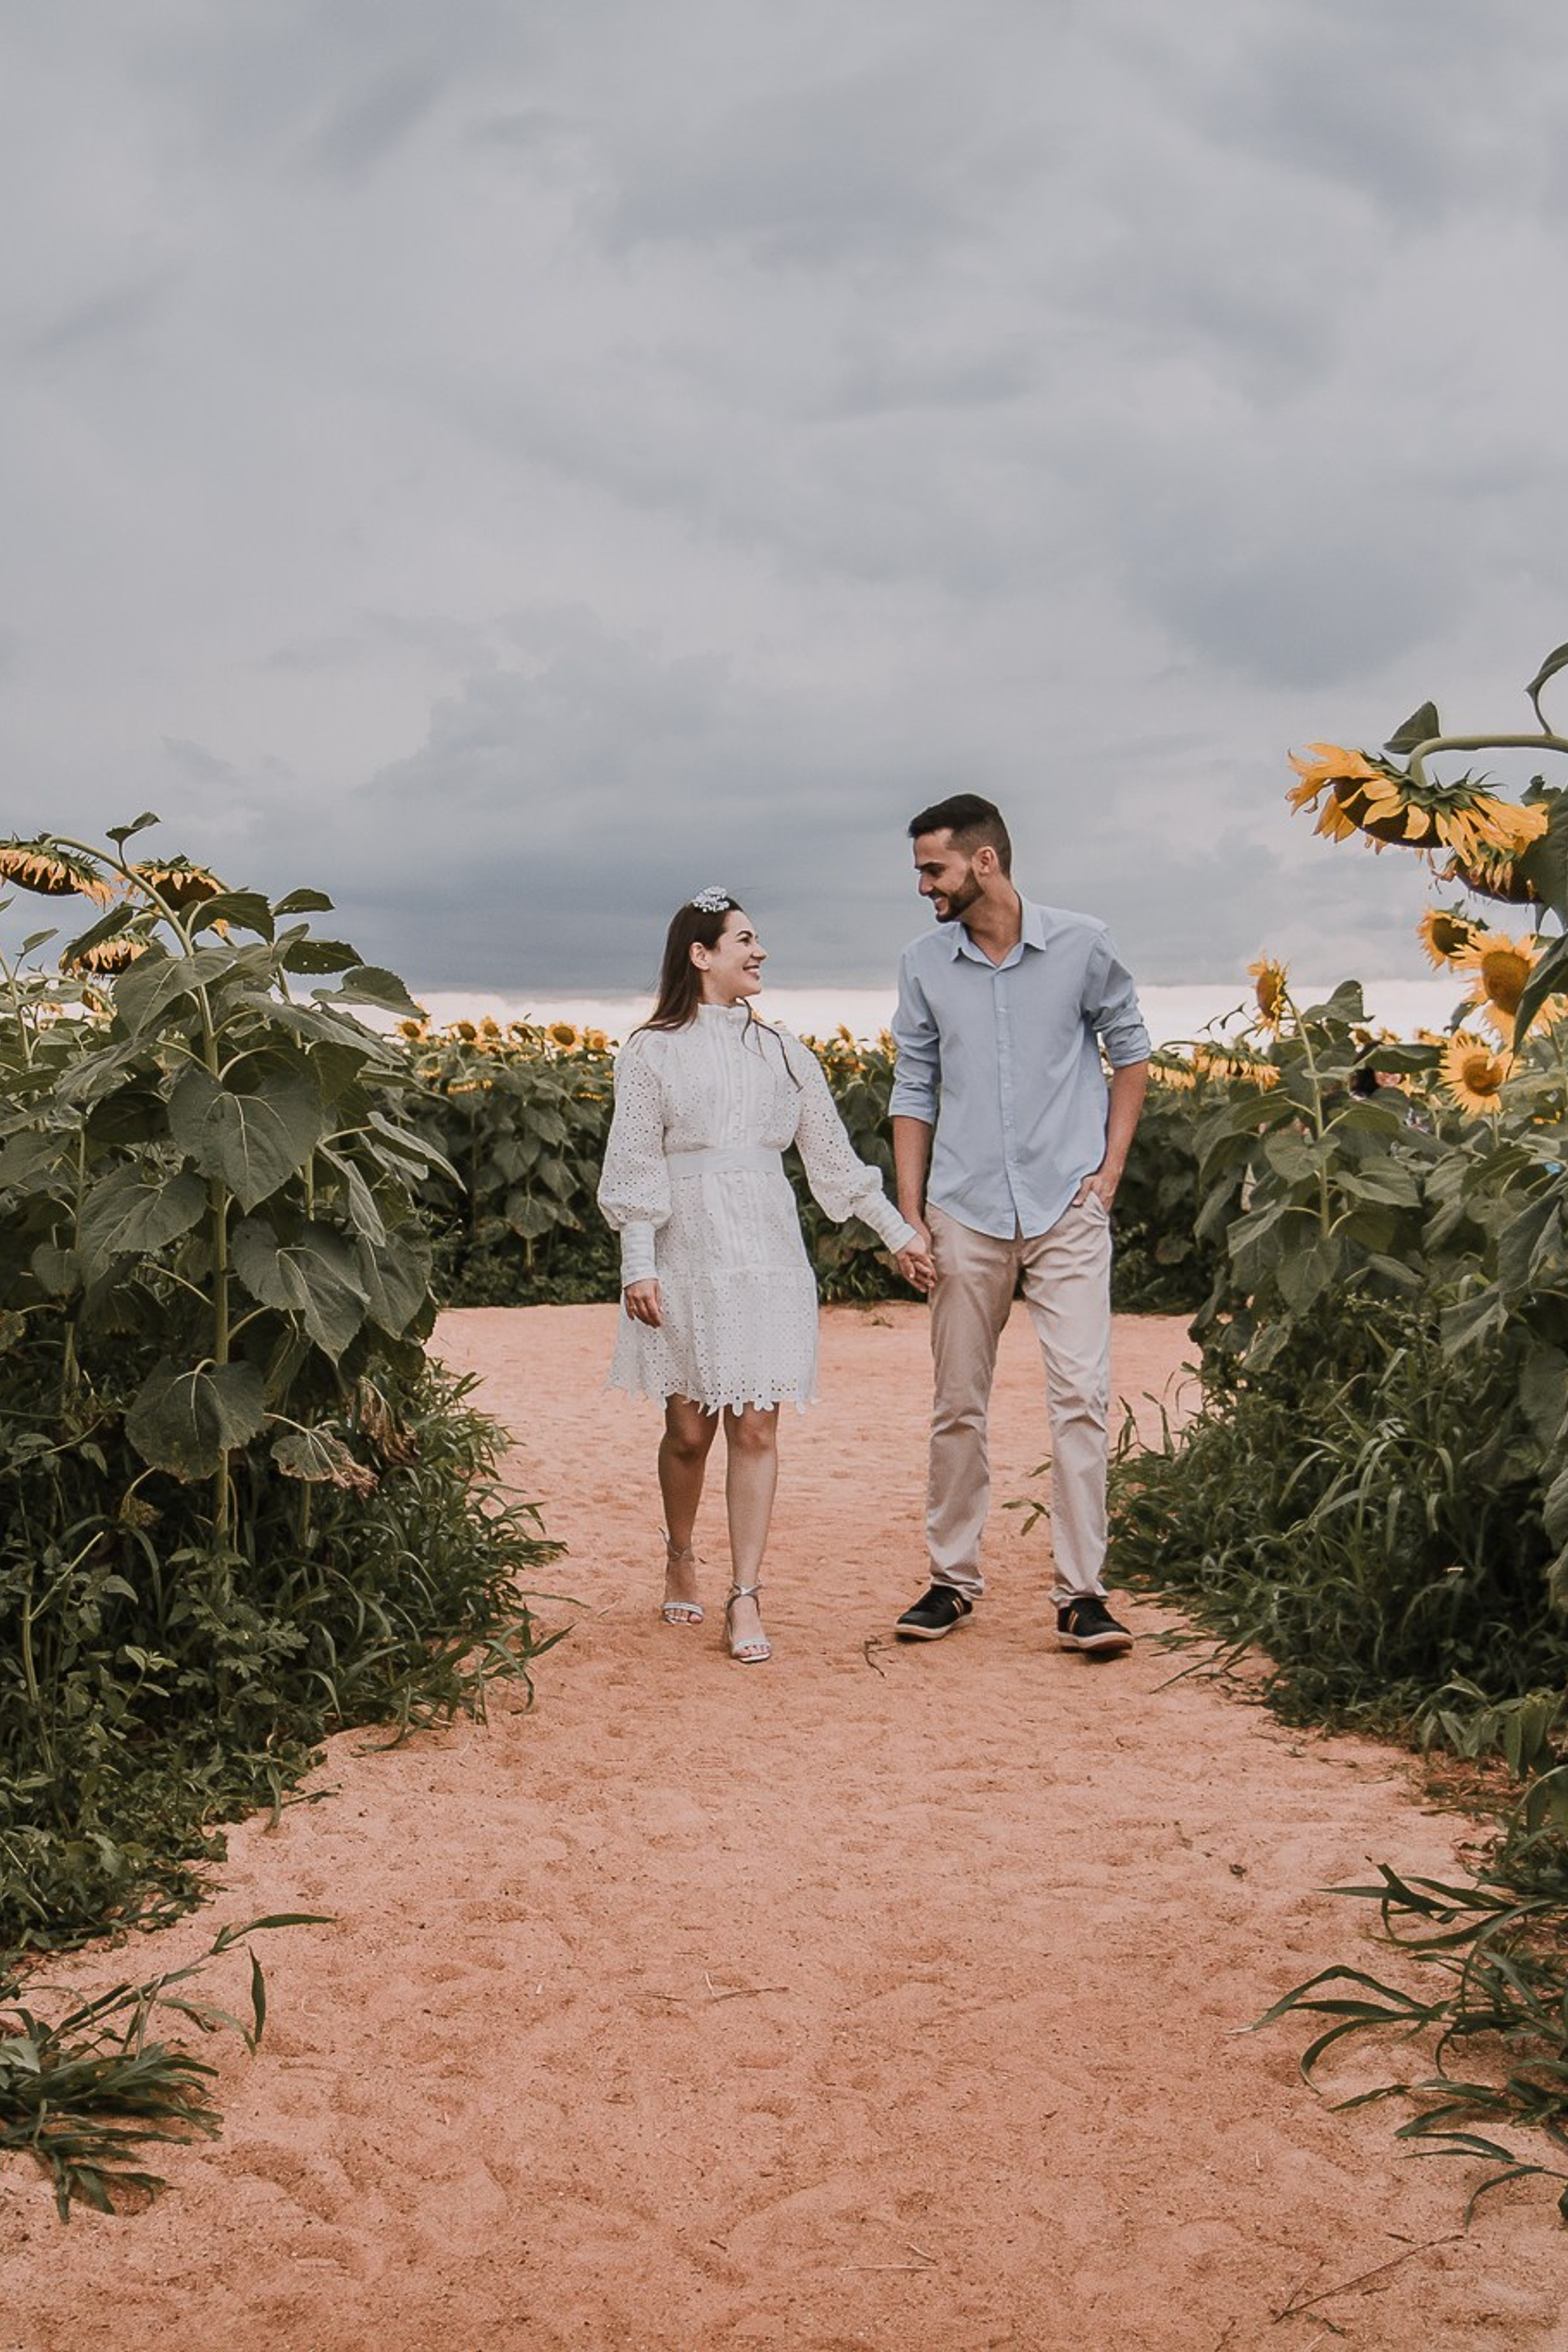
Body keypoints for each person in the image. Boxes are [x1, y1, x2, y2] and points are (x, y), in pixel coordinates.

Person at [598, 888, 932, 1662]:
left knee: (755, 1425)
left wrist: (899, 1236)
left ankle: (744, 1596)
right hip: (684, 1253)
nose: (761, 953)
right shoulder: (650, 1050)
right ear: (700, 954)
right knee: (688, 1431)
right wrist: (638, 1263)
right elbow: (635, 1163)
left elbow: (835, 1166)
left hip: (767, 1255)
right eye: (745, 940)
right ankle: (681, 1553)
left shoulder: (787, 1053)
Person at [887, 795, 1150, 1655]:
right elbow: (914, 1088)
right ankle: (951, 1582)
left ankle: (1083, 1598)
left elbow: (1131, 1052)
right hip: (964, 1210)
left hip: (1068, 1208)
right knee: (957, 1402)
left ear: (984, 862)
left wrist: (1107, 1175)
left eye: (934, 868)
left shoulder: (1083, 943)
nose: (923, 884)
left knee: (1079, 1398)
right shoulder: (924, 964)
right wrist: (911, 1215)